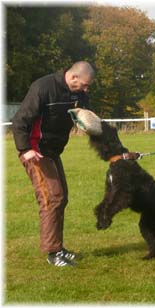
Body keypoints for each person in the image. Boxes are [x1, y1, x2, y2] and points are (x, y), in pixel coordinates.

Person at [12, 61, 95, 267]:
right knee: (52, 198)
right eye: (84, 85)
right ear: (73, 77)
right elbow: (20, 120)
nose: (86, 89)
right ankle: (53, 253)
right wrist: (25, 149)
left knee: (62, 197)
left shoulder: (79, 94)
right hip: (36, 152)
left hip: (53, 151)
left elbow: (86, 115)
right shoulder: (43, 87)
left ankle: (59, 248)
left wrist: (90, 125)